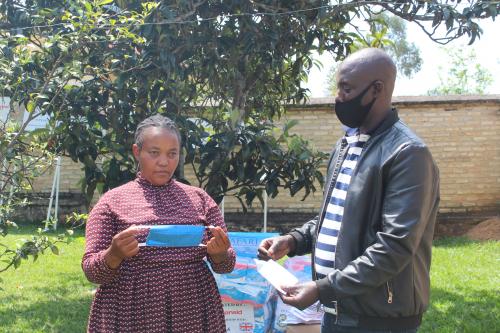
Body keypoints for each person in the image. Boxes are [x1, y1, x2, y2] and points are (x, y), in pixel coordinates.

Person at [258, 48, 440, 333]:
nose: (338, 97)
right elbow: (337, 218)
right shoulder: (346, 144)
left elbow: (395, 247)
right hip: (337, 309)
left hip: (378, 319)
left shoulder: (407, 153)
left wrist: (322, 288)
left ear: (376, 89)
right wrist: (293, 241)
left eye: (346, 88)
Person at [82, 114, 235, 333]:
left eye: (172, 154)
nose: (164, 162)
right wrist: (114, 254)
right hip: (131, 313)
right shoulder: (112, 202)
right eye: (154, 153)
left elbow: (226, 265)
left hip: (193, 310)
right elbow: (92, 272)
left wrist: (220, 253)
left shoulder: (199, 199)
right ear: (137, 152)